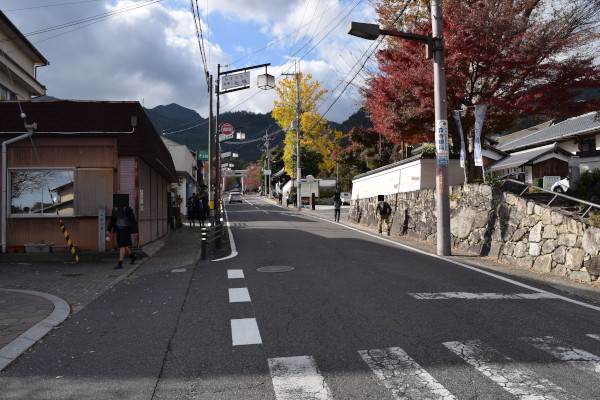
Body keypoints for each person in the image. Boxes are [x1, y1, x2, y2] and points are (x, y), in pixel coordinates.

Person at [106, 204, 138, 269]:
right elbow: (112, 221)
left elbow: (133, 220)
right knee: (124, 245)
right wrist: (108, 230)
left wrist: (136, 231)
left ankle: (120, 263)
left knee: (122, 245)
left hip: (126, 229)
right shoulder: (114, 210)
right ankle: (133, 257)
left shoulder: (128, 209)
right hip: (118, 229)